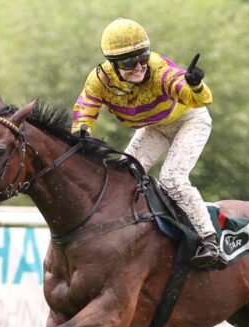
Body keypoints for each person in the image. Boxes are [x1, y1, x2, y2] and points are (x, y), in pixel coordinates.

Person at [71, 18, 227, 269]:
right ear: (113, 64)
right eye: (129, 62)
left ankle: (210, 241)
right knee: (123, 176)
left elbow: (198, 99)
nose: (139, 67)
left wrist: (196, 85)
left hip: (190, 121)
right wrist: (81, 129)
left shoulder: (158, 68)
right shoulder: (99, 78)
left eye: (142, 57)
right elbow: (87, 105)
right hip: (155, 127)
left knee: (172, 179)